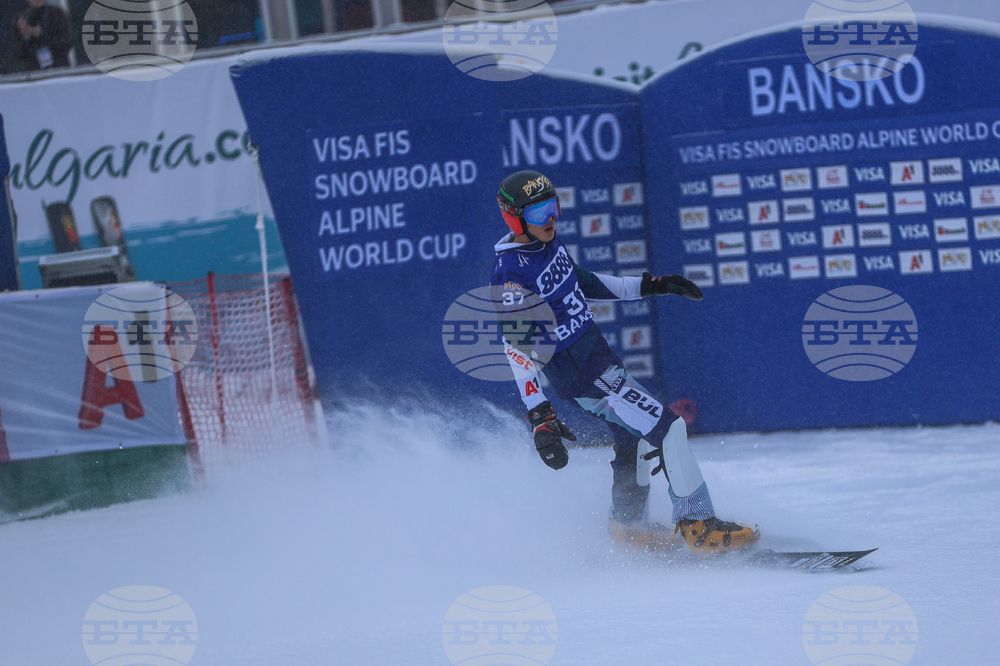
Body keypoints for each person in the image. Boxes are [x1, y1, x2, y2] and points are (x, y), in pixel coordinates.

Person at [491, 170, 758, 556]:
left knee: (631, 436)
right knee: (668, 430)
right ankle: (699, 526)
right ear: (515, 219)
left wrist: (653, 285)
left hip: (600, 364)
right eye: (538, 213)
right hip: (586, 378)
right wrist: (539, 415)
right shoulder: (512, 275)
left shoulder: (546, 247)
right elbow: (515, 347)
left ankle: (627, 526)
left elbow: (589, 282)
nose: (550, 219)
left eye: (553, 207)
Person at [13, 0, 72, 72]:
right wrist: (25, 36)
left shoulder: (57, 13)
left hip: (59, 68)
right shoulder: (22, 19)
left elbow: (66, 43)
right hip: (35, 72)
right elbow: (18, 53)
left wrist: (40, 34)